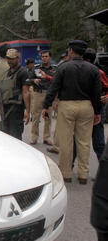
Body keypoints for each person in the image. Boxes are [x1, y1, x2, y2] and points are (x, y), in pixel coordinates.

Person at [42, 40, 102, 184]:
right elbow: (96, 92)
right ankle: (83, 174)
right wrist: (97, 111)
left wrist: (46, 105)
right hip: (87, 106)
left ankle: (66, 172)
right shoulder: (93, 69)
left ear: (71, 51)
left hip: (67, 105)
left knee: (66, 141)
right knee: (84, 142)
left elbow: (54, 88)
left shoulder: (63, 67)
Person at [0, 49, 30, 140]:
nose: (10, 61)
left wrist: (27, 111)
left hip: (16, 110)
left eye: (12, 59)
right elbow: (7, 87)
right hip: (6, 109)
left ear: (18, 59)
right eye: (8, 58)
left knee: (16, 136)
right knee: (7, 136)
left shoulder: (23, 72)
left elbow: (26, 92)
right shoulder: (9, 71)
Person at [83, 48, 108, 161]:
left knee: (98, 140)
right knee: (79, 140)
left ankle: (103, 172)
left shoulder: (99, 72)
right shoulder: (80, 70)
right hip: (84, 107)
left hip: (97, 108)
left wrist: (106, 97)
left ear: (87, 60)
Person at [29, 51, 57, 145]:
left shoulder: (54, 69)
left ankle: (46, 137)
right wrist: (34, 80)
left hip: (49, 94)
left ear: (50, 58)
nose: (44, 58)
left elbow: (56, 82)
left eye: (46, 56)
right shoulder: (36, 68)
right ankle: (34, 137)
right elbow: (28, 79)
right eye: (42, 56)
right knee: (35, 116)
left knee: (48, 117)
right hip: (38, 93)